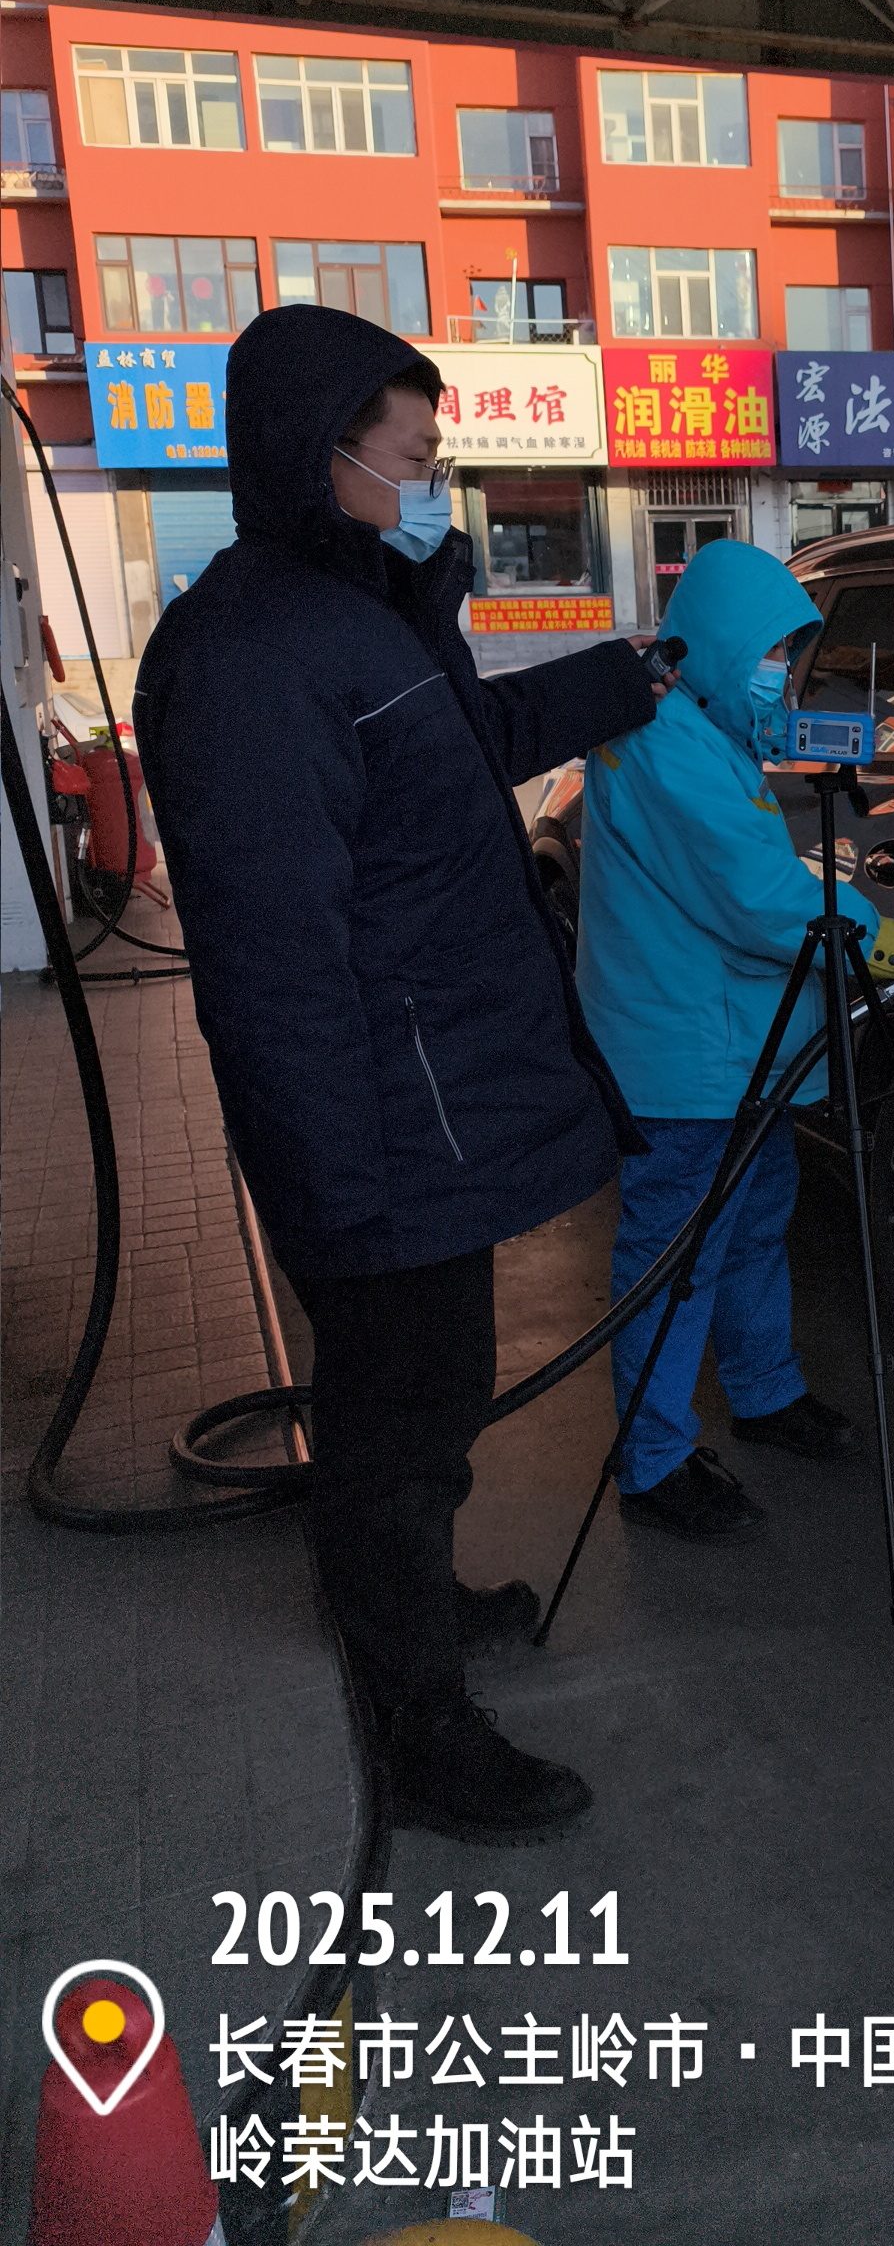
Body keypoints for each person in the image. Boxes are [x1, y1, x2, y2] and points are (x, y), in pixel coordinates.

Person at [135, 303, 670, 1845]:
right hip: (377, 1129)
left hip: (425, 1112)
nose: (431, 482)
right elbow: (275, 960)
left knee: (429, 1401)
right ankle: (418, 1725)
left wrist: (621, 682)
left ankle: (409, 1607)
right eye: (414, 456)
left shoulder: (357, 613)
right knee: (396, 1417)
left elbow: (460, 742)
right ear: (325, 453)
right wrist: (335, 1186)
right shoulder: (251, 656)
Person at [574, 539, 894, 1541]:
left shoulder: (708, 733)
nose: (782, 675)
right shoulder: (663, 746)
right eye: (768, 654)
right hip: (685, 1063)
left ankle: (765, 1393)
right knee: (676, 1257)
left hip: (737, 1052)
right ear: (713, 644)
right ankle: (654, 1463)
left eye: (789, 656)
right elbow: (759, 901)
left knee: (756, 1226)